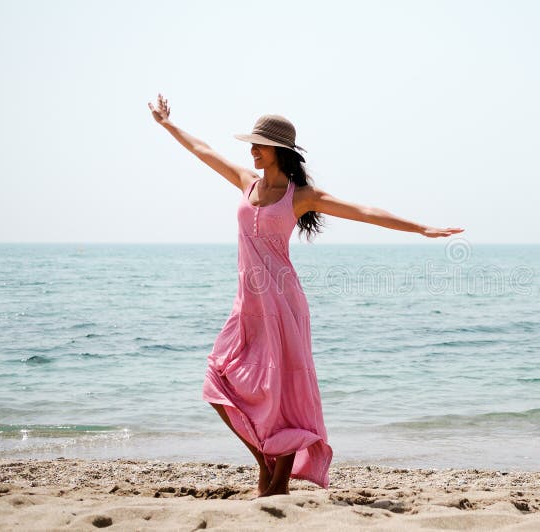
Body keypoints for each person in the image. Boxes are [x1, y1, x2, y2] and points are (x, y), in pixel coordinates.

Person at [147, 93, 464, 497]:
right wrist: (167, 124)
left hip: (283, 304)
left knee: (283, 392)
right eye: (251, 145)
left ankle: (277, 480)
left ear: (278, 150)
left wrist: (422, 228)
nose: (251, 151)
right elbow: (203, 150)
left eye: (258, 145)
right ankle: (264, 456)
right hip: (247, 305)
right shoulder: (247, 181)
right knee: (218, 379)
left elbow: (365, 211)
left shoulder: (300, 196)